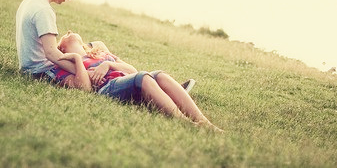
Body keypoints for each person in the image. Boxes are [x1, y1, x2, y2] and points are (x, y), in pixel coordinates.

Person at [55, 30, 223, 131]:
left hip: (126, 80)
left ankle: (206, 123)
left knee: (160, 75)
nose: (69, 31)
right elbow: (85, 89)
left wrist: (108, 64)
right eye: (65, 34)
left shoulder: (100, 53)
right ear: (61, 48)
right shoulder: (66, 62)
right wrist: (77, 59)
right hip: (107, 89)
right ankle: (187, 124)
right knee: (143, 77)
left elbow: (132, 70)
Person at [16, 0, 84, 80]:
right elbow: (51, 53)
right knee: (85, 80)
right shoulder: (44, 10)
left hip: (30, 66)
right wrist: (80, 71)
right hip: (39, 70)